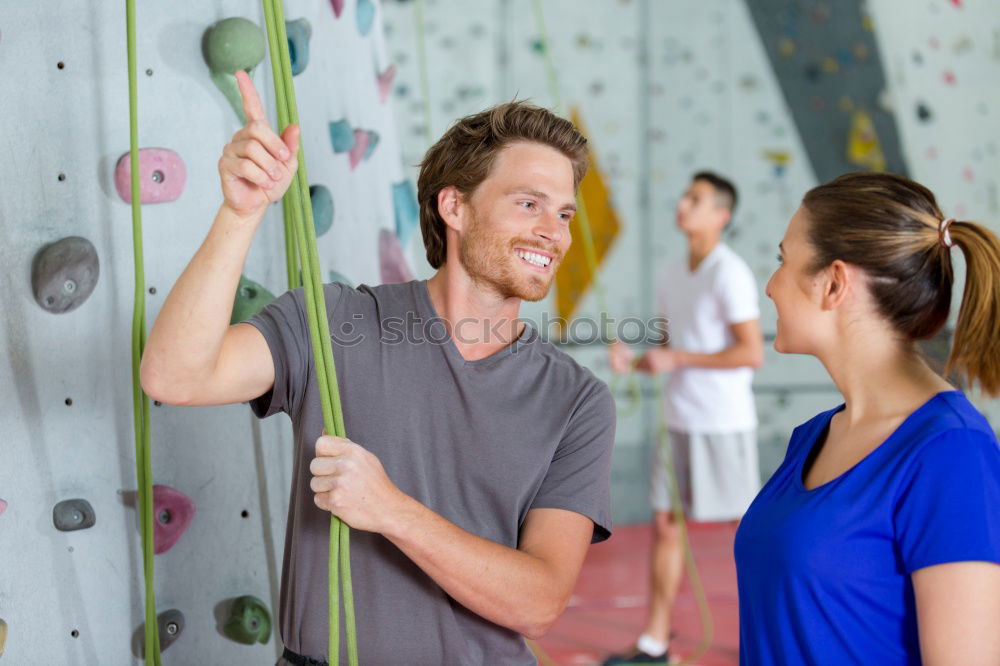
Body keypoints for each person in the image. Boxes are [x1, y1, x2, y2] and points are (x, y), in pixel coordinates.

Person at [140, 70, 615, 665]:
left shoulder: (576, 400)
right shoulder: (335, 322)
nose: (553, 232)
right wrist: (240, 214)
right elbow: (174, 376)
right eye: (529, 204)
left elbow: (539, 603)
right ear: (455, 206)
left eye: (565, 215)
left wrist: (391, 510)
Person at [735, 172, 1000, 664]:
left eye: (782, 261)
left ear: (834, 282)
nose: (771, 287)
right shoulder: (812, 437)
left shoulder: (950, 452)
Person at [605, 172, 764, 664]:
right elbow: (673, 348)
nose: (682, 203)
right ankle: (655, 643)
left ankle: (766, 640)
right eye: (684, 195)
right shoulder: (672, 272)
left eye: (695, 198)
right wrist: (635, 360)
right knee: (665, 524)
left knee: (752, 532)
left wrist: (677, 359)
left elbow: (751, 352)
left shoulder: (730, 273)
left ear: (721, 215)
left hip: (724, 423)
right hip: (678, 419)